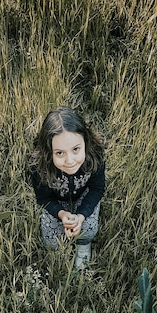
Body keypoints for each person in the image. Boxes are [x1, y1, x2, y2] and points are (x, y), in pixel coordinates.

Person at [29, 107, 105, 268]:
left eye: (76, 149)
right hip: (56, 201)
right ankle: (58, 254)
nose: (70, 160)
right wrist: (62, 214)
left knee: (89, 229)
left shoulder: (95, 156)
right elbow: (43, 198)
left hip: (84, 195)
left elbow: (97, 189)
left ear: (86, 141)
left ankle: (83, 245)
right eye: (60, 153)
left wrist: (81, 216)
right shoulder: (38, 166)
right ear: (49, 151)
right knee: (51, 239)